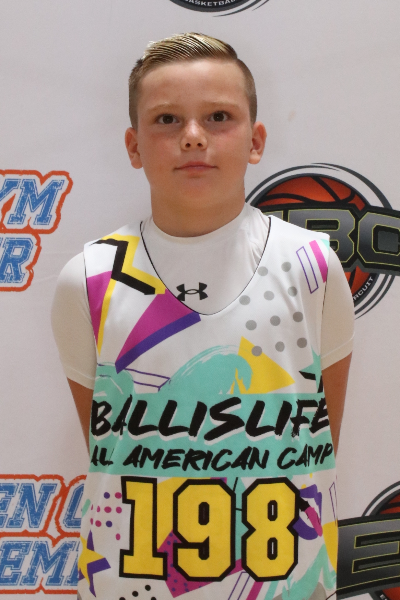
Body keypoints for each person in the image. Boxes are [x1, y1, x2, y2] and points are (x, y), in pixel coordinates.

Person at [52, 32, 354, 600]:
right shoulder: (90, 278)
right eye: (166, 119)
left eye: (219, 117)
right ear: (134, 146)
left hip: (287, 583)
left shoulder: (312, 266)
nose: (193, 136)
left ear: (255, 140)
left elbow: (318, 446)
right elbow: (111, 451)